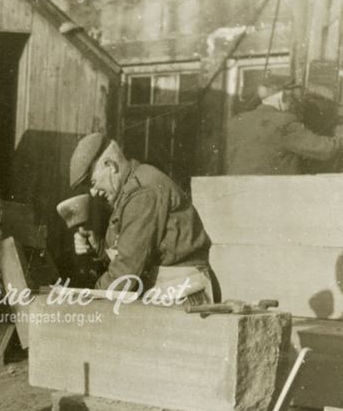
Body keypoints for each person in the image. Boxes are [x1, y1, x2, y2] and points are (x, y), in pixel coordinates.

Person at [69, 133, 216, 302]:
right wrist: (99, 248)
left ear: (111, 166)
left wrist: (89, 298)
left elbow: (125, 272)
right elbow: (130, 253)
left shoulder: (142, 193)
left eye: (93, 183)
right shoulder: (129, 190)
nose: (93, 192)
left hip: (184, 292)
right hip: (166, 288)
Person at [226, 81, 343, 175]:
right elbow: (327, 150)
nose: (293, 104)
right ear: (282, 97)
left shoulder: (236, 121)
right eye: (292, 99)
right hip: (274, 195)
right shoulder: (285, 122)